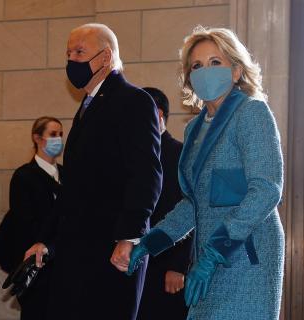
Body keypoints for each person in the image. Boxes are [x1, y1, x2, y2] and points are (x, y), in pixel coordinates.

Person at [125, 27, 284, 320]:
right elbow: (194, 203)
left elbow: (266, 190)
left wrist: (214, 254)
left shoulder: (252, 112)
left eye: (215, 62)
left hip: (246, 258)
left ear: (236, 71)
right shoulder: (194, 129)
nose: (204, 71)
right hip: (207, 261)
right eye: (197, 66)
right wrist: (150, 242)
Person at [25, 23, 163, 320]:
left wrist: (130, 237)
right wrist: (46, 239)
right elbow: (75, 187)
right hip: (79, 250)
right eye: (68, 53)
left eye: (79, 52)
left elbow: (147, 174)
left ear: (105, 57)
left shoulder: (134, 101)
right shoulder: (88, 106)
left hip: (113, 248)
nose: (71, 60)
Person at [0, 116, 64, 320]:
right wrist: (46, 244)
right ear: (37, 138)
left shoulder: (67, 175)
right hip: (38, 267)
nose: (58, 138)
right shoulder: (24, 176)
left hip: (61, 267)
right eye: (52, 134)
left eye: (60, 134)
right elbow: (24, 222)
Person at [137, 87, 191, 320]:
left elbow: (189, 210)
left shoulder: (180, 154)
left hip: (168, 268)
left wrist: (178, 265)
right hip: (140, 263)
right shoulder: (136, 155)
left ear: (157, 114)